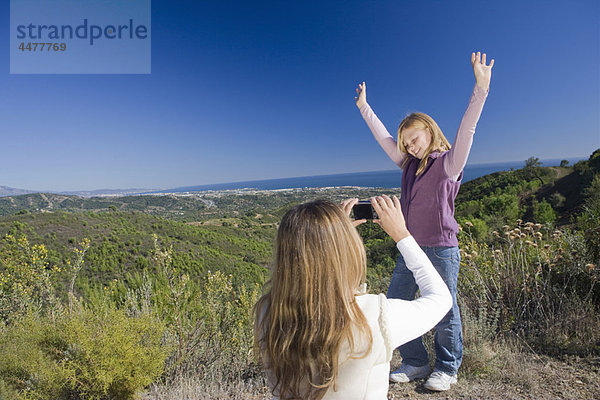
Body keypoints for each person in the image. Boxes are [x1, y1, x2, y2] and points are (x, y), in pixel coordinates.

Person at [354, 52, 494, 391]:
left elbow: (468, 129)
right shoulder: (407, 167)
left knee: (444, 310)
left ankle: (447, 367)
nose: (410, 147)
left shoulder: (448, 164)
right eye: (406, 143)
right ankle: (415, 362)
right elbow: (384, 138)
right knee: (396, 304)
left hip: (443, 249)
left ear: (429, 131)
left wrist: (481, 88)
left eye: (414, 139)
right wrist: (364, 107)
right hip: (411, 247)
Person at [254, 196, 452, 400]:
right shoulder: (375, 315)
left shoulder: (267, 312)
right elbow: (440, 298)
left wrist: (333, 235)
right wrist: (402, 235)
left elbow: (318, 290)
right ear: (349, 249)